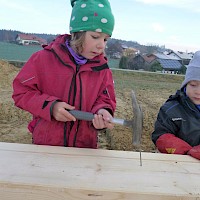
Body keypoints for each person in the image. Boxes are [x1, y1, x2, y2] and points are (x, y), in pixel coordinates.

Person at [12, 0, 116, 148]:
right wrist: (51, 107)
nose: (101, 45)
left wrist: (102, 111)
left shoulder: (102, 69)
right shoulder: (43, 59)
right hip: (46, 146)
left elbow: (105, 98)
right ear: (77, 33)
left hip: (84, 148)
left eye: (105, 39)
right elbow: (21, 92)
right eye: (95, 37)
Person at [152, 50, 200, 160]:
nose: (198, 91)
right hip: (177, 163)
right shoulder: (170, 110)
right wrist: (185, 150)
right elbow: (160, 136)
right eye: (193, 85)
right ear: (185, 84)